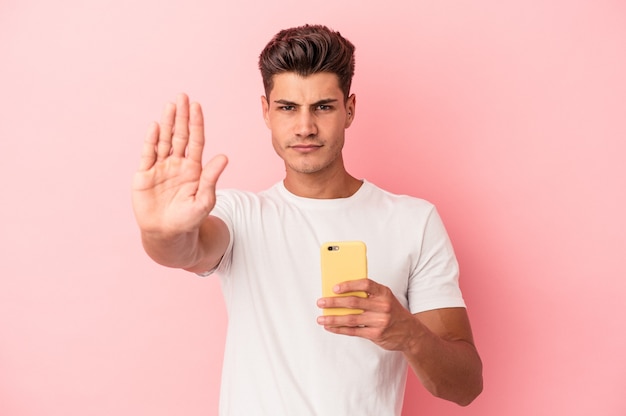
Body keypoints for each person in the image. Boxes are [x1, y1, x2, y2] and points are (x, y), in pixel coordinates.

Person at [132, 24, 483, 415]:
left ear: (349, 109)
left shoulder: (413, 221)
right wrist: (160, 230)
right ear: (266, 112)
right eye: (287, 108)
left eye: (323, 107)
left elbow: (465, 386)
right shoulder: (240, 216)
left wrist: (409, 335)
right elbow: (185, 248)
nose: (305, 127)